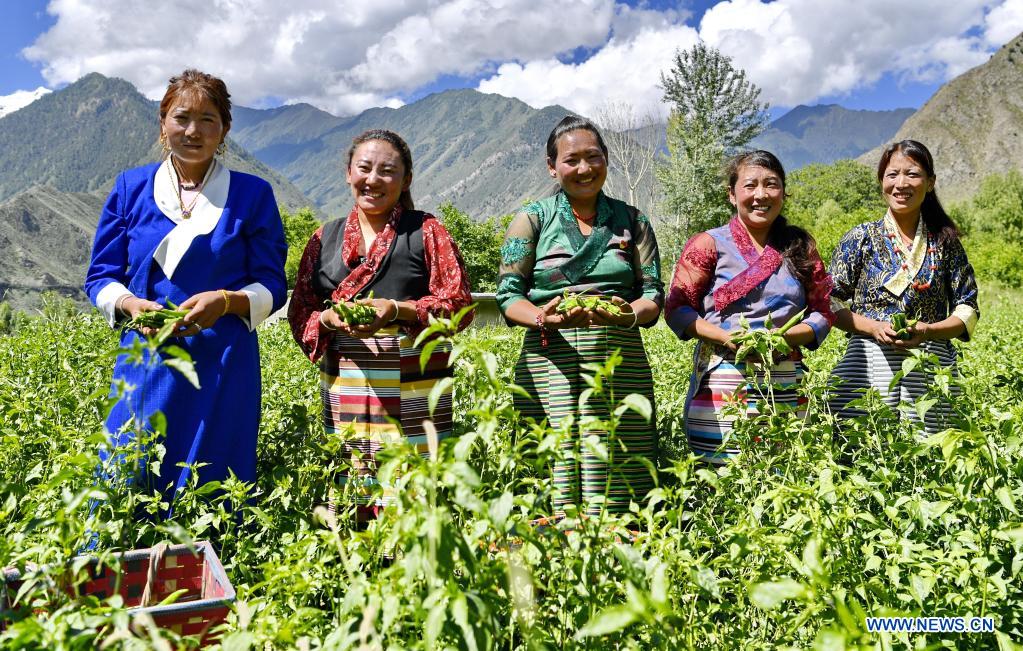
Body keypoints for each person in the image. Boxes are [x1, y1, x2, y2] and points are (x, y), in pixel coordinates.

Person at [84, 69, 288, 500]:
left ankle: (208, 565)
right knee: (129, 466)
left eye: (208, 119)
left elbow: (272, 284)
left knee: (215, 474)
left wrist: (228, 300)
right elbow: (101, 277)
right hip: (147, 356)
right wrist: (129, 305)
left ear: (225, 129)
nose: (193, 131)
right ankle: (122, 563)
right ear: (163, 124)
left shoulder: (252, 195)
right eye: (182, 118)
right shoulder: (131, 190)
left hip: (224, 360)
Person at [288, 129, 473, 521]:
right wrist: (326, 317)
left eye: (387, 171)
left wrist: (397, 310)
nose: (373, 179)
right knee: (352, 490)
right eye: (364, 168)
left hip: (415, 385)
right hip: (347, 389)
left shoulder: (427, 232)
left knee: (413, 498)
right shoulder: (325, 237)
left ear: (406, 180)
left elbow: (459, 305)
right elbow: (301, 309)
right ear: (348, 173)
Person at [496, 115, 663, 517]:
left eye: (594, 157)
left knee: (622, 459)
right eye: (572, 160)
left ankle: (623, 558)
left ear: (607, 160)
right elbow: (508, 297)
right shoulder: (532, 219)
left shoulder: (633, 221)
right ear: (552, 166)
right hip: (550, 357)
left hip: (620, 361)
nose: (584, 168)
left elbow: (653, 296)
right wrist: (543, 318)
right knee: (555, 459)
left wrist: (627, 315)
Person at [664, 150, 834, 465]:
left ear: (784, 192)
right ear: (732, 194)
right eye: (750, 185)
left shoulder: (801, 247)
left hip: (786, 378)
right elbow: (677, 307)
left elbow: (824, 311)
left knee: (786, 482)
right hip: (722, 379)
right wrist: (725, 337)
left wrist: (782, 339)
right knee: (723, 483)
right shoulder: (708, 244)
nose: (760, 195)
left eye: (771, 185)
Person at [828, 140, 979, 433]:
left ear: (931, 182)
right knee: (863, 454)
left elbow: (967, 308)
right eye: (892, 174)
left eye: (912, 174)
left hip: (930, 360)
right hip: (866, 360)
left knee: (931, 457)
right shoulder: (861, 238)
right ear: (882, 181)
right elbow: (828, 302)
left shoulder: (945, 243)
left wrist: (929, 331)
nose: (901, 184)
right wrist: (872, 327)